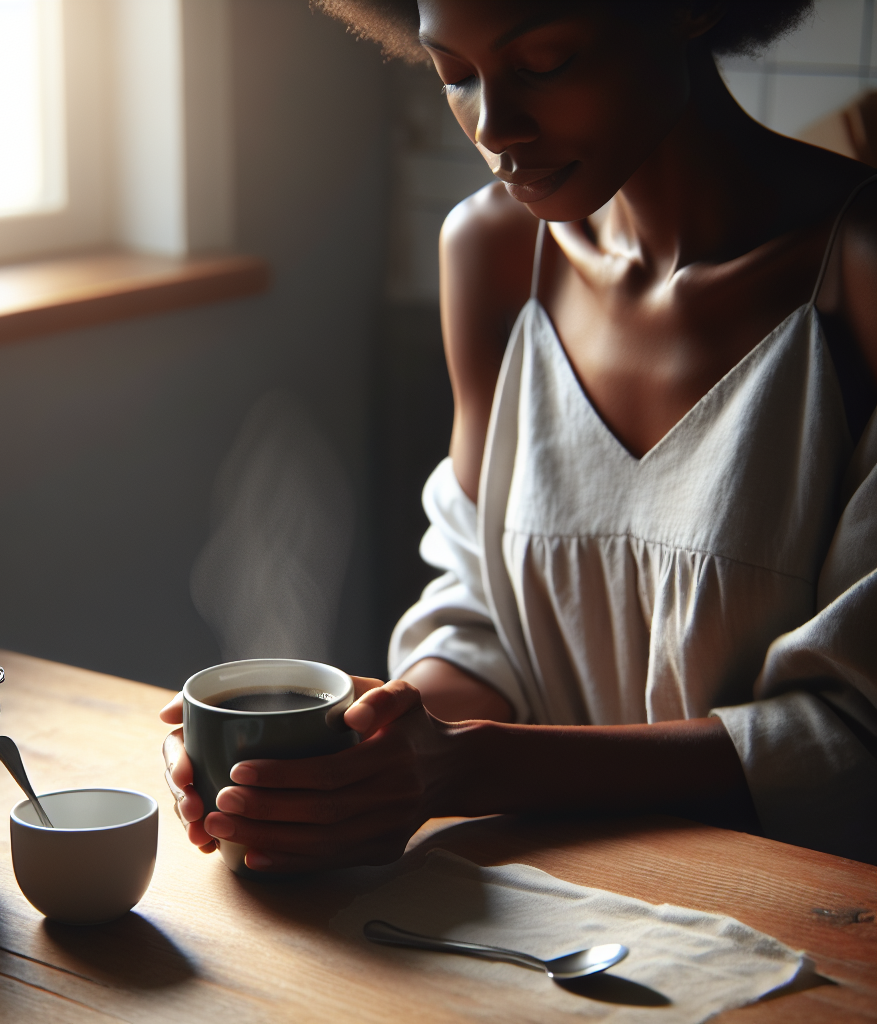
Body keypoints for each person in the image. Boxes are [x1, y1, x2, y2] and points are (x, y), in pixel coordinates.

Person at [161, 0, 877, 870]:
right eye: (455, 73)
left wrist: (464, 767)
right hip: (556, 911)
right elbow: (482, 614)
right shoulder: (494, 252)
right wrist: (379, 735)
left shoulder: (858, 277)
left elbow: (854, 742)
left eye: (543, 63)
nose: (494, 129)